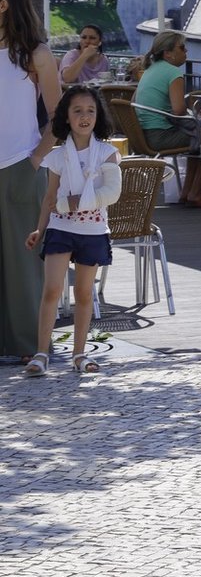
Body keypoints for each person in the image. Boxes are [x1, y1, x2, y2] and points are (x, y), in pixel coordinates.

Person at [24, 87, 121, 377]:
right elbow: (50, 199)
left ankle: (79, 354)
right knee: (52, 289)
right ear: (66, 116)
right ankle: (41, 352)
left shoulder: (108, 153)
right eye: (77, 110)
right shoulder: (57, 157)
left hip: (92, 230)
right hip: (60, 227)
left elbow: (112, 194)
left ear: (98, 115)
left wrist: (74, 203)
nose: (84, 116)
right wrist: (39, 229)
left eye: (90, 110)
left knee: (83, 293)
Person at [0, 0, 60, 362]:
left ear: (3, 4)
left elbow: (59, 116)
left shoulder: (35, 54)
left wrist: (36, 157)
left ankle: (28, 345)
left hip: (18, 165)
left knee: (23, 264)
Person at [133, 31, 201, 208]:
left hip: (145, 133)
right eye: (182, 47)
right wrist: (193, 115)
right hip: (160, 136)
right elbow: (178, 110)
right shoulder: (173, 73)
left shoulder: (150, 70)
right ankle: (195, 191)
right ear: (168, 53)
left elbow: (133, 102)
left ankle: (187, 192)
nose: (186, 51)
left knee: (197, 135)